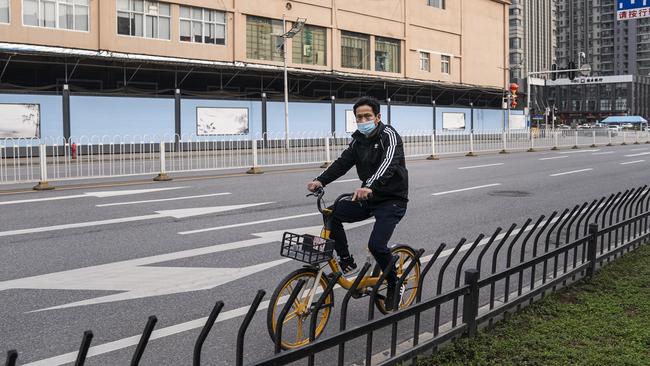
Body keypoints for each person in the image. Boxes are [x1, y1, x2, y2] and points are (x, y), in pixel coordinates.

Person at [307, 96, 408, 310]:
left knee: (377, 245)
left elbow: (388, 164)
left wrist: (369, 185)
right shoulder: (358, 140)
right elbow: (343, 162)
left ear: (378, 117)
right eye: (359, 117)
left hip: (391, 199)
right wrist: (320, 180)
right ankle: (346, 260)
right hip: (368, 196)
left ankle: (394, 282)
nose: (363, 120)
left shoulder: (389, 136)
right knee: (331, 213)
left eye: (367, 116)